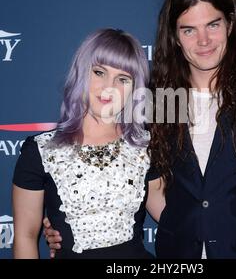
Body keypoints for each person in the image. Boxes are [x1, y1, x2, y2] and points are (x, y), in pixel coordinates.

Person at [44, 0, 236, 259]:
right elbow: (107, 164)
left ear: (230, 24)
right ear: (175, 36)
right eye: (189, 30)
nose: (203, 41)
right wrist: (62, 221)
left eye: (213, 25)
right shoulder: (156, 98)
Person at [12, 28, 163, 259]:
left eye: (123, 79)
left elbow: (174, 218)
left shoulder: (146, 147)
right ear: (82, 73)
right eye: (99, 72)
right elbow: (24, 237)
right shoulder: (41, 150)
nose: (108, 87)